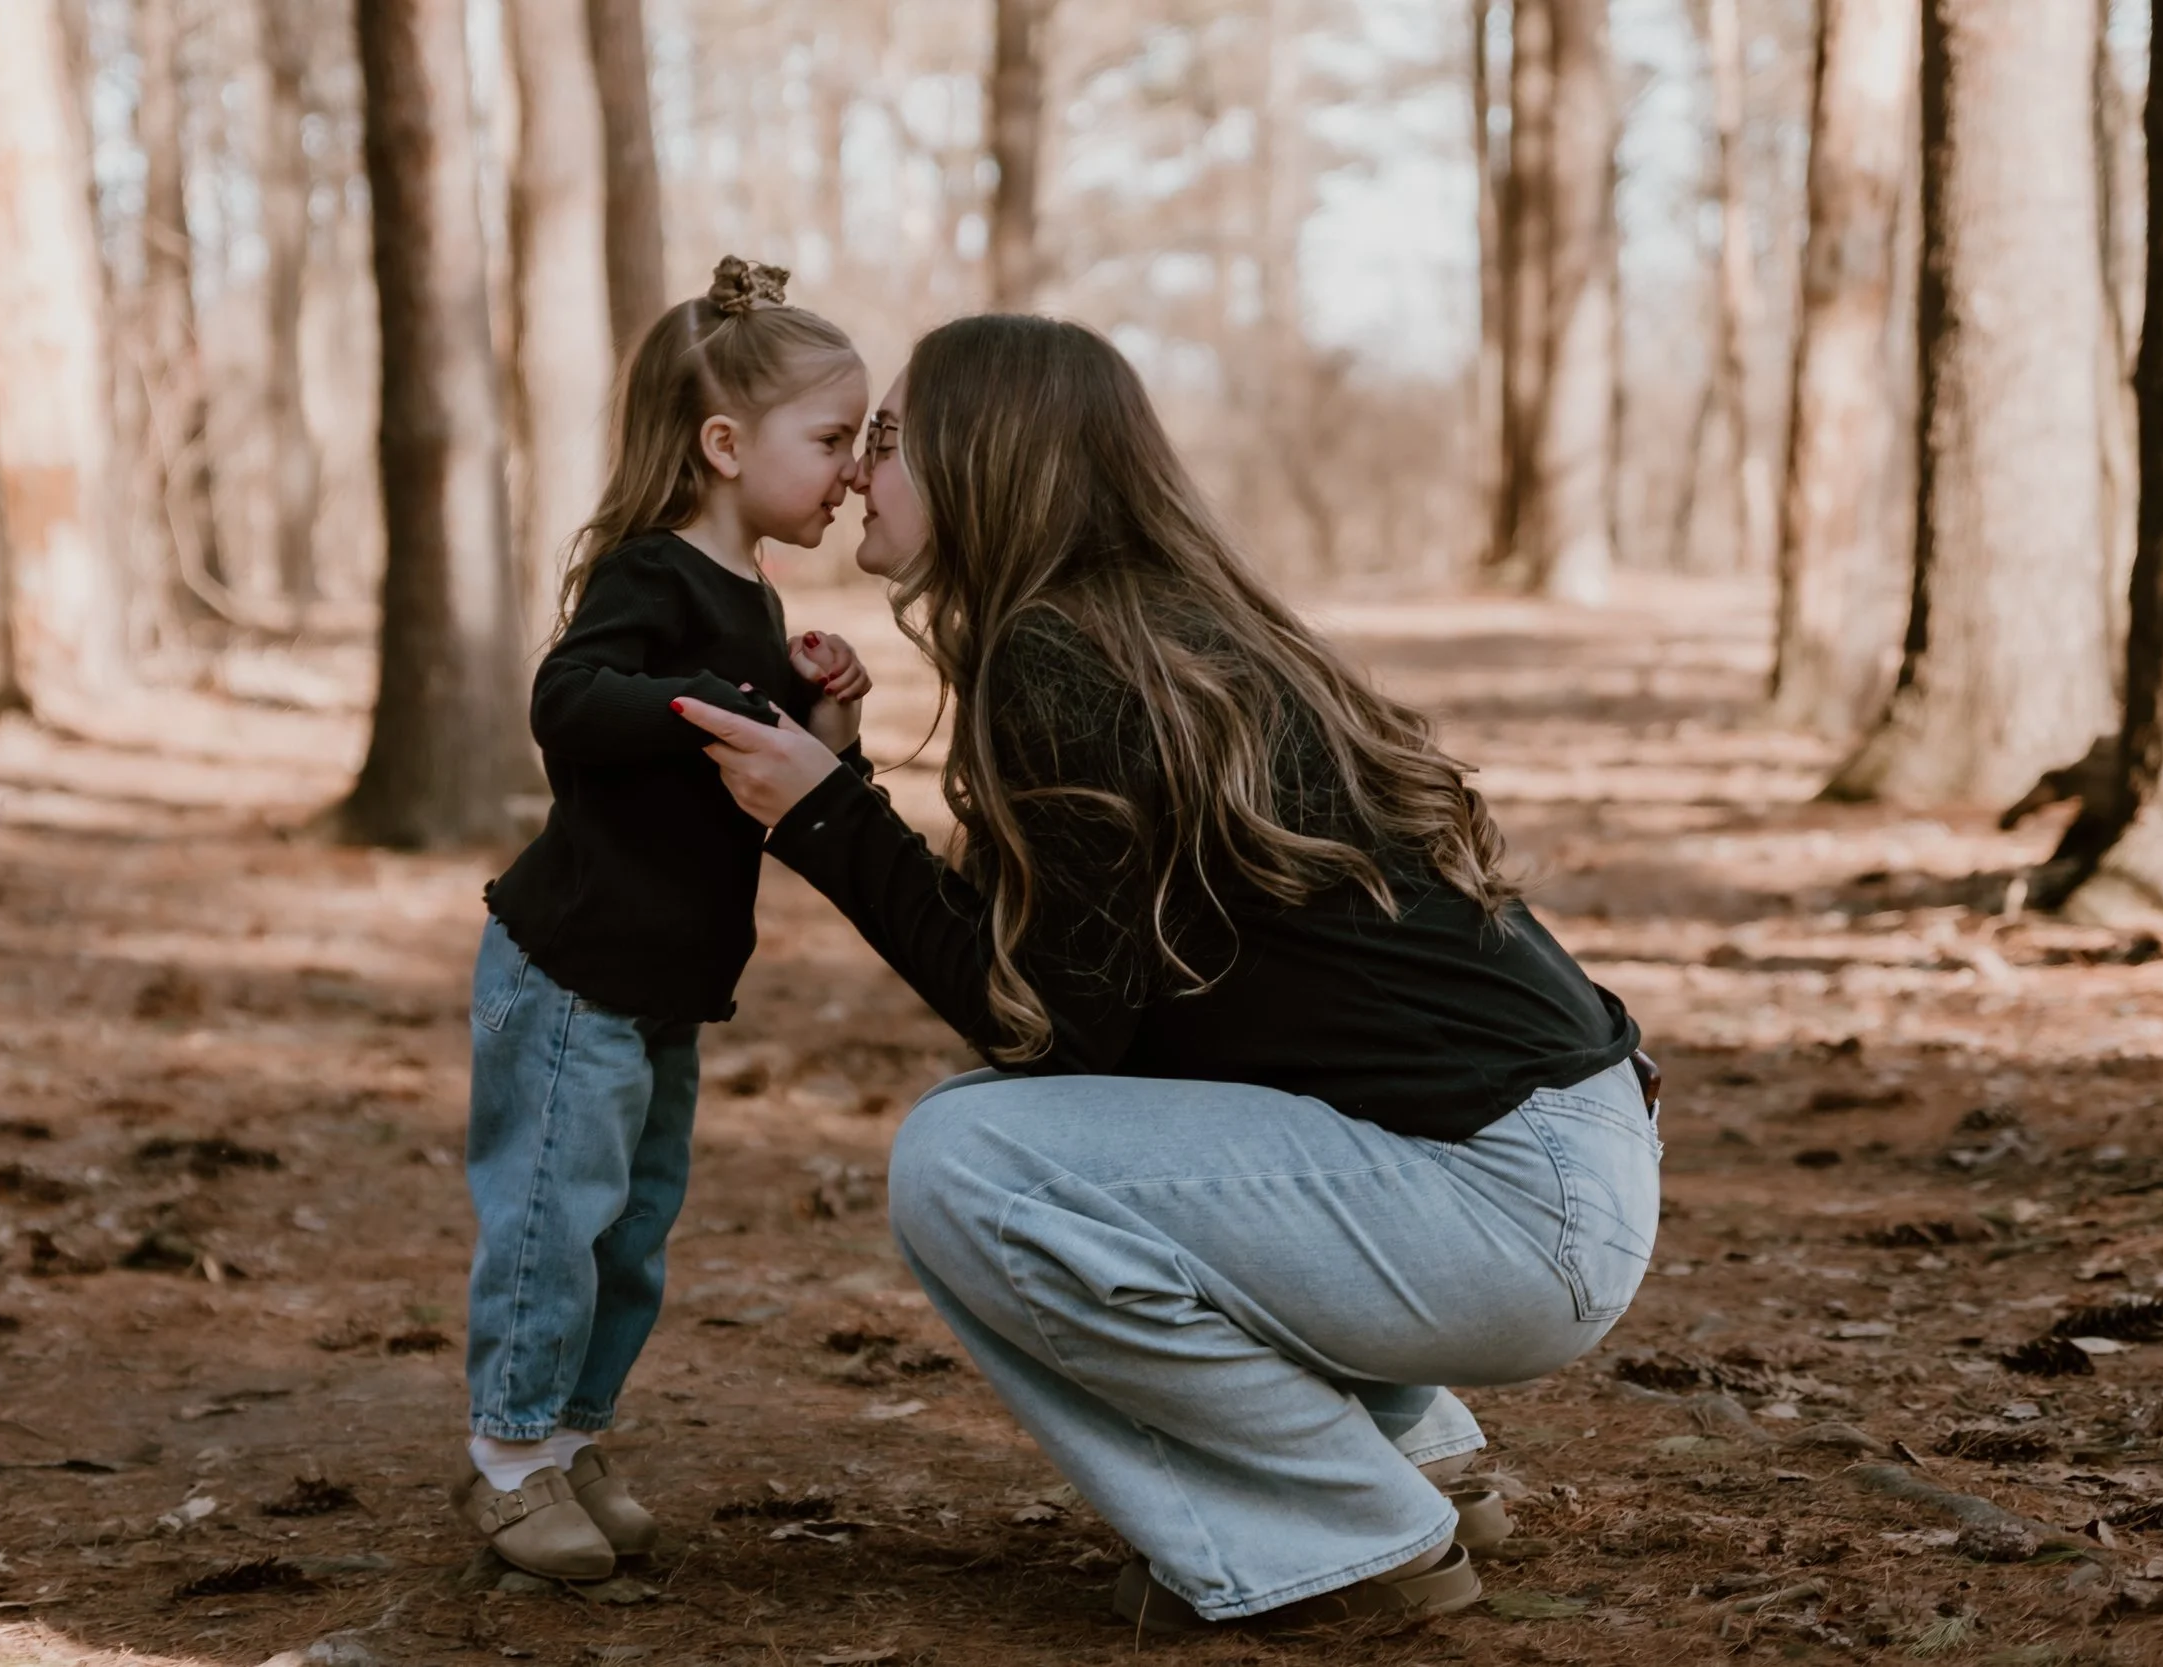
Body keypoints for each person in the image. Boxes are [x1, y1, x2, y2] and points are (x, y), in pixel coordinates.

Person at [675, 315, 1662, 1634]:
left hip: (1509, 1198)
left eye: (893, 441)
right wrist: (841, 784)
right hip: (1547, 1169)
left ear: (987, 462)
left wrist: (821, 818)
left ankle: (1353, 1539)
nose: (858, 472)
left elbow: (1047, 1029)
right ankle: (1417, 1459)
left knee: (967, 1160)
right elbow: (1101, 1003)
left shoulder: (1062, 659)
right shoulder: (1140, 635)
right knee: (1041, 1140)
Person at [457, 257, 876, 1580]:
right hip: (576, 965)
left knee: (633, 1229)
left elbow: (754, 780)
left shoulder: (750, 594)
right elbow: (569, 699)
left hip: (663, 978)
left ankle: (575, 1435)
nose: (855, 470)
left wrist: (820, 717)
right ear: (722, 443)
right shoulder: (651, 574)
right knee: (551, 1217)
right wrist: (708, 696)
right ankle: (511, 1459)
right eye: (831, 441)